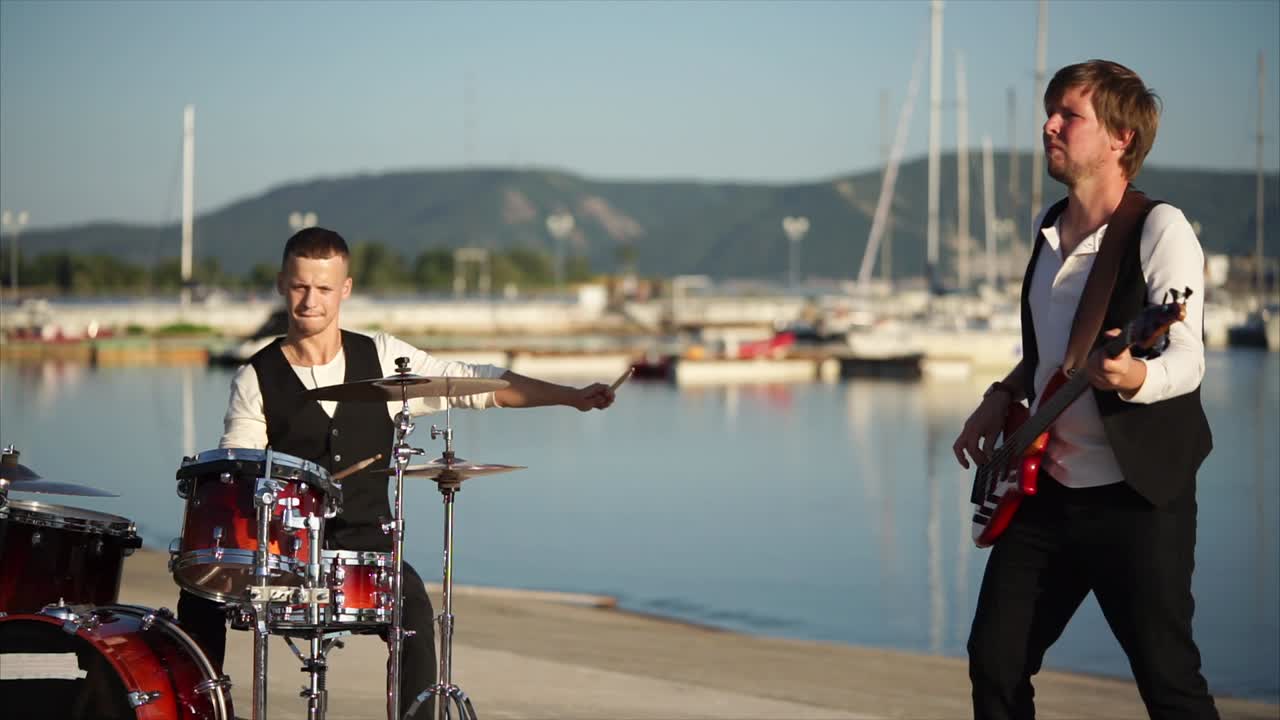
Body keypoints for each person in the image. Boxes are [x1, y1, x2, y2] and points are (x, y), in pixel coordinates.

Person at [178, 226, 616, 717]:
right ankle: (202, 710)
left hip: (366, 546)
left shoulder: (384, 358)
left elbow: (477, 383)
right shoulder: (255, 376)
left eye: (323, 288)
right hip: (288, 552)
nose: (310, 301)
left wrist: (570, 396)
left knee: (414, 606)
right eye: (300, 286)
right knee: (200, 591)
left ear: (345, 289)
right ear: (282, 284)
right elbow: (238, 468)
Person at [952, 60, 1218, 719]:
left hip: (1136, 500)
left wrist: (1135, 376)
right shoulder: (1049, 227)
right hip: (1046, 493)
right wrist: (999, 395)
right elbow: (1049, 357)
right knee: (995, 663)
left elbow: (1187, 358)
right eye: (1050, 111)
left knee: (1169, 683)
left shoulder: (1160, 229)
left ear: (1122, 137)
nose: (1049, 125)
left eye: (1069, 115)